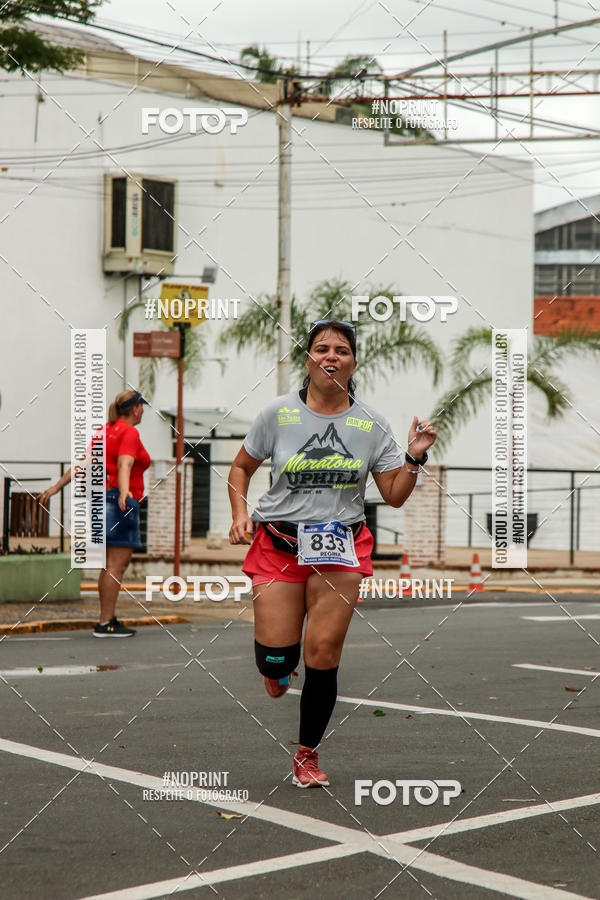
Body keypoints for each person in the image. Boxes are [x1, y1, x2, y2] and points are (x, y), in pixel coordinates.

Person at [228, 320, 437, 788]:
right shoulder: (277, 414)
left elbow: (395, 494)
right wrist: (240, 514)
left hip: (339, 545)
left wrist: (415, 458)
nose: (331, 356)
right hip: (279, 543)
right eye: (321, 348)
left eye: (342, 350)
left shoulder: (371, 423)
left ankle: (307, 754)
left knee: (323, 650)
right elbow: (240, 468)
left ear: (353, 362)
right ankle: (277, 670)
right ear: (308, 360)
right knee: (275, 662)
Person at [40, 389, 150, 637]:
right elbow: (125, 464)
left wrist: (57, 486)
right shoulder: (130, 432)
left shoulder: (106, 430)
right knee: (116, 566)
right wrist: (124, 493)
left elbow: (83, 462)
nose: (143, 410)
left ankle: (106, 620)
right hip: (119, 499)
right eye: (142, 405)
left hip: (101, 499)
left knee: (108, 565)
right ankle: (105, 623)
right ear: (135, 409)